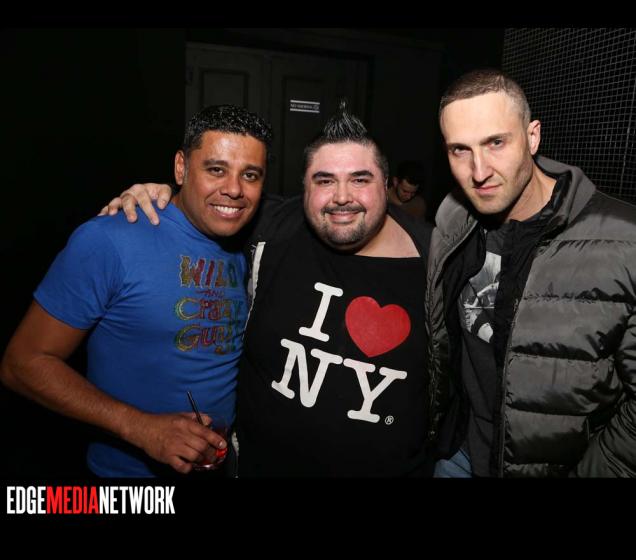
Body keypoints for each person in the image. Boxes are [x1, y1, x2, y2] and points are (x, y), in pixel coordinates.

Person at [100, 103, 434, 477]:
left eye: (360, 179)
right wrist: (160, 193)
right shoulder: (270, 229)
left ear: (386, 184)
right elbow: (209, 204)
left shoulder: (439, 262)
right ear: (304, 188)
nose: (342, 196)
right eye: (324, 180)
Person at [0, 104, 272, 477]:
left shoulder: (247, 245)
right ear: (181, 167)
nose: (234, 189)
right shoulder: (109, 240)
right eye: (215, 169)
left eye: (250, 175)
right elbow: (22, 363)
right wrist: (142, 428)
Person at [427, 68, 636, 477]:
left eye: (496, 143)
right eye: (460, 150)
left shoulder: (623, 241)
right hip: (459, 454)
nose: (479, 170)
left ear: (533, 136)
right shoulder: (452, 221)